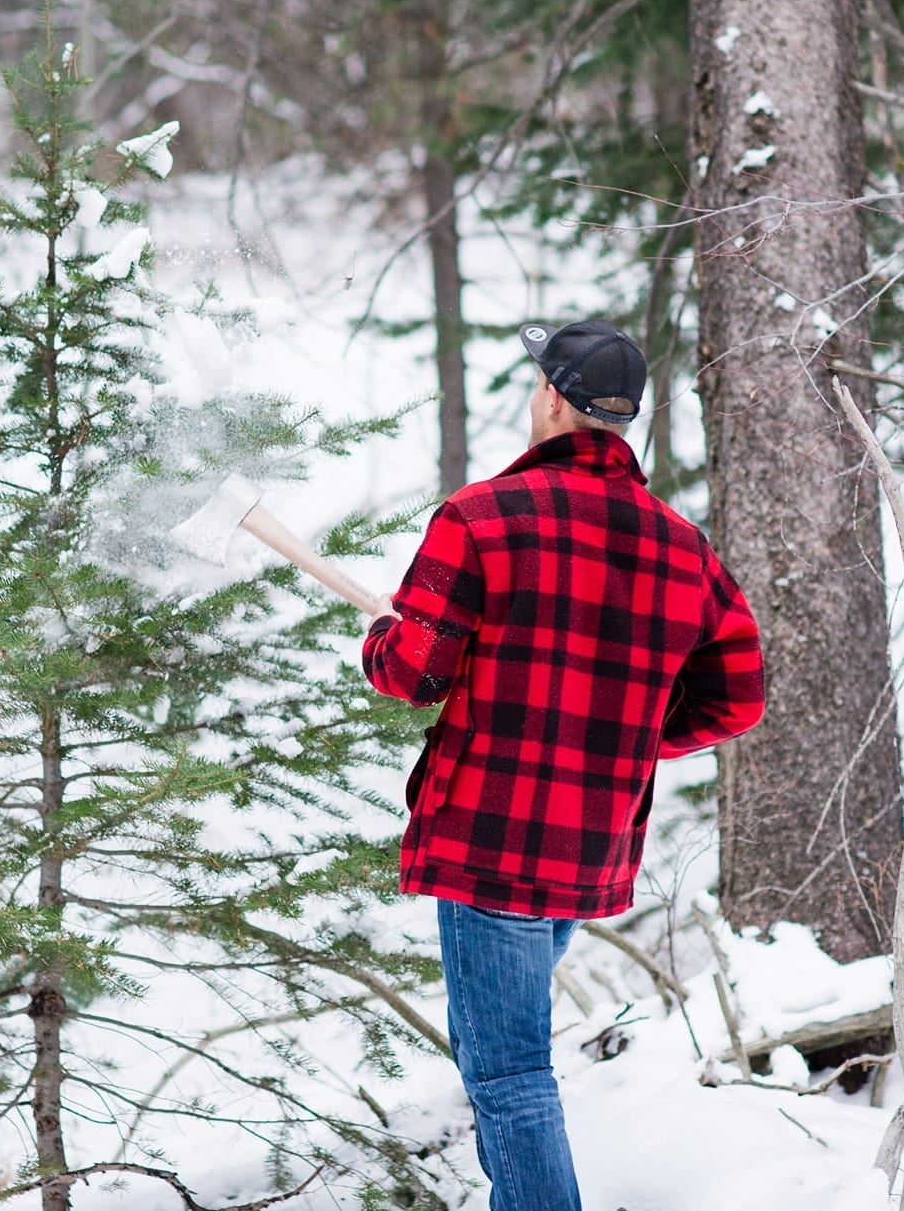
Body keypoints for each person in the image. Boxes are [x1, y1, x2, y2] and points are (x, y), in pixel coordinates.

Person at [361, 319, 765, 1211]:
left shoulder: (478, 520)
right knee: (500, 1057)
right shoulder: (684, 549)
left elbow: (414, 672)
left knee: (508, 1076)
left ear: (551, 397)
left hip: (492, 840)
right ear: (620, 422)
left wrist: (379, 642)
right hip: (589, 847)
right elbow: (737, 697)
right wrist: (619, 735)